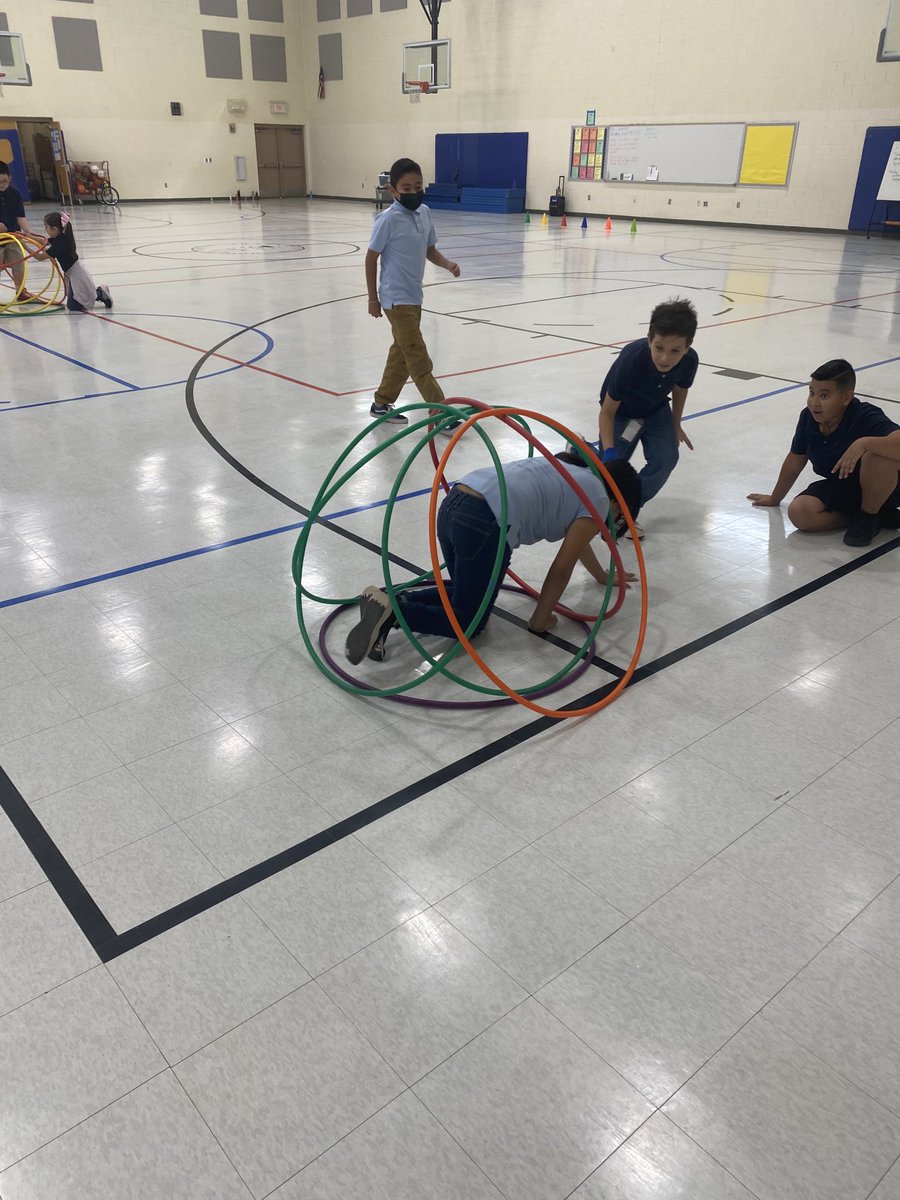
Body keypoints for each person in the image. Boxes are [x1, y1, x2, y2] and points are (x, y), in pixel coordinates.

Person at [345, 453, 641, 664]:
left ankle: (388, 601)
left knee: (465, 591)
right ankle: (397, 612)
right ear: (618, 503)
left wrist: (602, 575)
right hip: (485, 522)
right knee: (469, 622)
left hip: (455, 502)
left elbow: (578, 545)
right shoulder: (598, 499)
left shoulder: (572, 469)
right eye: (621, 515)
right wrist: (539, 619)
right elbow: (562, 568)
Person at [747, 358, 900, 547]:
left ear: (846, 398)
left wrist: (864, 443)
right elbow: (796, 459)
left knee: (879, 456)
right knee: (800, 512)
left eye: (824, 396)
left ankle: (868, 517)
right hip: (843, 486)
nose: (814, 402)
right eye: (812, 393)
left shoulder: (865, 416)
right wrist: (775, 498)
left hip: (886, 489)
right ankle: (872, 516)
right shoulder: (808, 418)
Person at [365, 156, 460, 429]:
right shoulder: (387, 220)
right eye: (406, 188)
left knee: (402, 352)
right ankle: (440, 412)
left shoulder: (424, 213)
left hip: (415, 296)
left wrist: (447, 264)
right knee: (418, 357)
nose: (413, 193)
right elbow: (371, 259)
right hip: (395, 299)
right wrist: (373, 299)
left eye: (418, 187)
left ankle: (381, 403)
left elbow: (430, 250)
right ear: (393, 191)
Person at [597, 297, 699, 537]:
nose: (665, 358)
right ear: (649, 339)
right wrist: (610, 452)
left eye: (675, 351)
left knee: (666, 459)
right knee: (611, 471)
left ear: (688, 346)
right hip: (621, 413)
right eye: (659, 348)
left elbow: (680, 389)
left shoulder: (690, 360)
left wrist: (676, 424)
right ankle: (586, 455)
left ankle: (626, 512)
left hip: (655, 410)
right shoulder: (631, 360)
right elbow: (607, 413)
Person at [34, 211, 112, 312]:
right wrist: (26, 237)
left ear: (54, 228)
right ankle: (96, 293)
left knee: (74, 306)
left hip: (77, 275)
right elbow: (43, 241)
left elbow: (39, 257)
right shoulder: (59, 237)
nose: (45, 229)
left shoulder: (60, 244)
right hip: (72, 273)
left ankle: (100, 293)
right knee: (77, 300)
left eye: (46, 227)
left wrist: (23, 245)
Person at [0, 161, 38, 302]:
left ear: (10, 178)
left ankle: (20, 291)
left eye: (4, 181)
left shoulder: (15, 194)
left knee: (18, 263)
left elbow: (20, 217)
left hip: (13, 236)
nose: (1, 185)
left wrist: (28, 231)